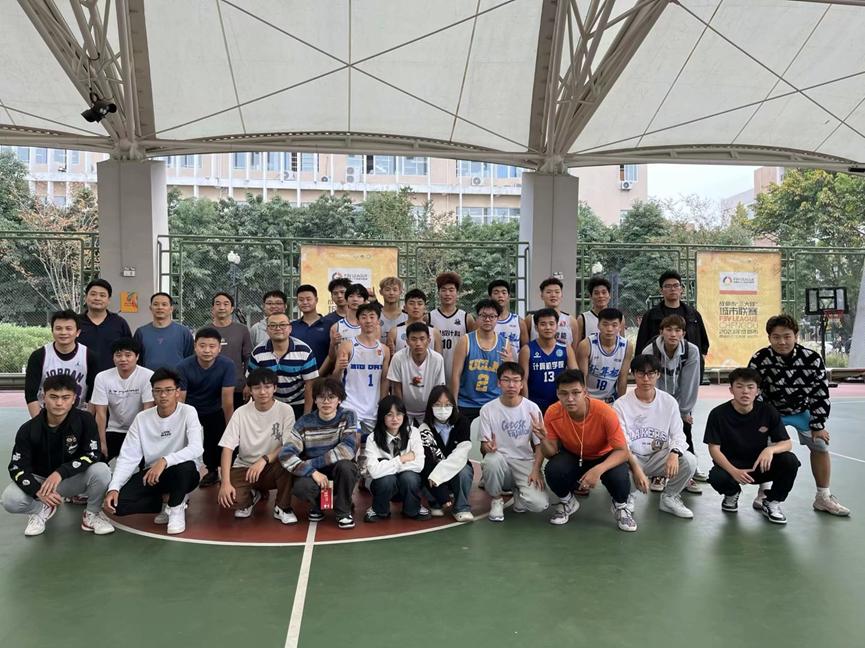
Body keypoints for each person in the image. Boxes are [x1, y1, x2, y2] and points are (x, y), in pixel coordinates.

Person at [749, 314, 849, 516]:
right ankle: (764, 492)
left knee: (820, 445)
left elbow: (820, 393)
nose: (782, 342)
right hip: (771, 413)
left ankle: (823, 497)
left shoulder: (812, 359)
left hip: (801, 411)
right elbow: (754, 391)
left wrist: (818, 424)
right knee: (766, 445)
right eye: (776, 337)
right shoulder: (759, 359)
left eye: (787, 336)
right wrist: (758, 421)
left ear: (796, 336)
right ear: (769, 338)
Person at [3, 374, 114, 536]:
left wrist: (61, 472)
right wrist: (36, 490)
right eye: (53, 397)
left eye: (65, 397)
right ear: (44, 397)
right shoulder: (28, 429)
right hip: (40, 481)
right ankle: (41, 509)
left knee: (102, 470)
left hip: (70, 479)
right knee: (10, 500)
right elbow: (16, 467)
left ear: (74, 398)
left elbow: (92, 454)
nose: (59, 403)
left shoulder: (85, 420)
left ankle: (92, 514)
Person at [104, 368, 203, 535]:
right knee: (117, 506)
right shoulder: (142, 418)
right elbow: (128, 457)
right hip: (153, 475)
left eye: (168, 390)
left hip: (184, 472)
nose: (163, 395)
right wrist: (114, 487)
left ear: (177, 392)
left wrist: (164, 461)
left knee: (185, 467)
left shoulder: (188, 412)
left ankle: (176, 508)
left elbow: (196, 448)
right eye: (158, 391)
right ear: (152, 393)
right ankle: (166, 502)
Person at [535, 369, 635, 531]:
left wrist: (598, 470)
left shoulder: (605, 412)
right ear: (557, 394)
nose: (570, 399)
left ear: (585, 392)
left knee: (619, 477)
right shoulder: (552, 413)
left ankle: (620, 506)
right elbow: (550, 453)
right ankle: (567, 501)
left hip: (604, 455)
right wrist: (543, 438)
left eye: (576, 393)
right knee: (554, 469)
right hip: (573, 454)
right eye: (564, 393)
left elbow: (623, 452)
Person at [704, 368, 800, 524]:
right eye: (739, 386)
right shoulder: (718, 414)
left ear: (757, 391)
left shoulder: (768, 411)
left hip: (760, 466)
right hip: (732, 467)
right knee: (717, 477)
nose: (745, 391)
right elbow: (714, 448)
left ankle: (772, 502)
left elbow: (787, 443)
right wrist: (733, 471)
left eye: (750, 387)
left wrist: (770, 449)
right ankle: (732, 493)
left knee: (790, 461)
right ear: (731, 389)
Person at [614, 354, 697, 521]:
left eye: (651, 373)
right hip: (632, 458)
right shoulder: (621, 405)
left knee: (689, 461)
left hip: (659, 456)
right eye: (641, 373)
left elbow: (678, 434)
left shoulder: (669, 402)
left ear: (658, 374)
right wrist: (636, 468)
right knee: (616, 469)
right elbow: (622, 444)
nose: (646, 379)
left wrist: (674, 453)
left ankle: (669, 498)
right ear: (633, 374)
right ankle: (627, 496)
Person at [217, 368, 297, 524]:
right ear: (250, 390)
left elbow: (288, 444)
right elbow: (227, 448)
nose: (262, 392)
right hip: (245, 467)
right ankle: (252, 495)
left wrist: (264, 460)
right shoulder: (241, 412)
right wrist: (225, 483)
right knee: (230, 500)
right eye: (257, 387)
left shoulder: (285, 410)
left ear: (275, 388)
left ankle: (282, 507)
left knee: (288, 460)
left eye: (267, 387)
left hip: (272, 466)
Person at [279, 377, 360, 529]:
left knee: (347, 467)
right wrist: (312, 471)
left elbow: (347, 450)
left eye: (331, 397)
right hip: (315, 474)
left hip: (338, 470)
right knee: (301, 487)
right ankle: (317, 505)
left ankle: (343, 511)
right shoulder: (304, 422)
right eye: (321, 397)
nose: (326, 401)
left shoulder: (348, 416)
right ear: (315, 400)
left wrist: (312, 464)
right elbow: (285, 455)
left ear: (339, 400)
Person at [479, 362, 549, 522]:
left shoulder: (532, 408)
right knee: (491, 460)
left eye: (516, 380)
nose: (511, 385)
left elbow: (539, 445)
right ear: (499, 383)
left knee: (539, 505)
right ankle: (496, 500)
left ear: (522, 384)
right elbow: (484, 445)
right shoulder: (487, 409)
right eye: (506, 380)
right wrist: (488, 447)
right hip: (501, 460)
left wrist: (536, 470)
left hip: (525, 462)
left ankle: (518, 490)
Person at [642, 314, 703, 493]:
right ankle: (658, 474)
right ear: (661, 332)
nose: (673, 334)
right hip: (658, 398)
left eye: (678, 330)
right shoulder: (650, 351)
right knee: (658, 435)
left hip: (679, 398)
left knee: (684, 431)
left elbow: (690, 382)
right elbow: (650, 381)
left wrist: (685, 411)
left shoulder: (691, 351)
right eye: (669, 329)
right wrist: (657, 407)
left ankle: (687, 473)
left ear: (684, 333)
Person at [176, 328, 236, 487]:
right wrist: (179, 423)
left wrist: (231, 427)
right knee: (187, 441)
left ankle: (221, 471)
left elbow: (227, 400)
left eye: (212, 346)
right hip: (191, 409)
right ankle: (194, 473)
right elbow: (180, 399)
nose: (207, 350)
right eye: (202, 346)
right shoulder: (183, 366)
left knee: (216, 439)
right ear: (195, 347)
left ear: (219, 348)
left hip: (215, 408)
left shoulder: (227, 365)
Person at [363, 395, 430, 522]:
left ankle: (413, 509)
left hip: (407, 484)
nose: (395, 419)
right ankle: (379, 510)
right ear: (382, 417)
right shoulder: (372, 438)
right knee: (387, 480)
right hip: (383, 486)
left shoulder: (413, 432)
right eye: (389, 414)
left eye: (399, 414)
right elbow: (374, 472)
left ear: (404, 415)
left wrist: (386, 466)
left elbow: (419, 465)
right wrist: (402, 459)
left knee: (409, 477)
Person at [635, 270, 709, 379]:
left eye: (676, 285)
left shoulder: (693, 314)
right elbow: (641, 344)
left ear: (681, 289)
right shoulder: (651, 316)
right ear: (661, 290)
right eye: (668, 286)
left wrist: (698, 362)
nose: (672, 289)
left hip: (688, 368)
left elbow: (704, 343)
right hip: (659, 371)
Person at [25, 309, 98, 418]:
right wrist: (38, 422)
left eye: (68, 328)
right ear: (52, 331)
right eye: (58, 328)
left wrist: (86, 421)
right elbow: (30, 394)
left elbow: (93, 393)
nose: (63, 332)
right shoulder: (39, 356)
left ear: (78, 332)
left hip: (78, 415)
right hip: (46, 416)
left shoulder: (89, 356)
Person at [90, 337, 155, 460]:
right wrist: (102, 443)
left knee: (145, 463)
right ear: (113, 358)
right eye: (118, 355)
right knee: (98, 459)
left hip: (138, 430)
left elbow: (147, 410)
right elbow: (100, 413)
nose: (123, 359)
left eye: (128, 355)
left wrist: (143, 440)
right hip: (113, 430)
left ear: (137, 357)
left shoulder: (148, 376)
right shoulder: (102, 377)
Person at [417, 386, 475, 522]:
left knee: (464, 471)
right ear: (430, 407)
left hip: (454, 467)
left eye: (447, 405)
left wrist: (439, 475)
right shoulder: (424, 429)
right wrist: (442, 495)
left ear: (453, 406)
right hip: (433, 472)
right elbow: (427, 462)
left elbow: (461, 454)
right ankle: (435, 502)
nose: (443, 409)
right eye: (437, 405)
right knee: (422, 472)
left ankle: (461, 507)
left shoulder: (462, 422)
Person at [248, 311, 318, 421]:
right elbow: (253, 383)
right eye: (273, 325)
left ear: (290, 328)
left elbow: (310, 385)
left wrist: (306, 416)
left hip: (298, 404)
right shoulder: (258, 353)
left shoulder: (304, 351)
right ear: (267, 330)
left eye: (283, 325)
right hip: (270, 404)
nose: (278, 328)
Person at [335, 302, 390, 440]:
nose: (368, 320)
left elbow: (384, 380)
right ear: (358, 321)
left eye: (372, 317)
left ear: (378, 321)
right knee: (355, 442)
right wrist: (339, 368)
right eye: (364, 317)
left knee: (377, 444)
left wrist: (382, 405)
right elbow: (335, 380)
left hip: (373, 408)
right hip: (350, 405)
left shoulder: (384, 350)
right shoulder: (347, 346)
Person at [451, 299, 511, 422]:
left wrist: (510, 362)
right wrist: (454, 403)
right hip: (467, 403)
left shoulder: (505, 343)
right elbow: (455, 374)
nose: (487, 319)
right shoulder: (465, 340)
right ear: (477, 317)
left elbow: (509, 376)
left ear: (497, 318)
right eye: (483, 316)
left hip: (494, 403)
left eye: (492, 316)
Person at [519, 307, 577, 413]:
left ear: (557, 326)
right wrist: (526, 406)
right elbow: (523, 380)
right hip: (535, 403)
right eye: (543, 324)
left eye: (551, 324)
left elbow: (576, 376)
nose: (548, 327)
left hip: (560, 402)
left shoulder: (565, 348)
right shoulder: (527, 350)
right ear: (536, 327)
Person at [387, 322, 446, 424]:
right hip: (404, 410)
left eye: (422, 339)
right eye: (413, 339)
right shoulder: (398, 358)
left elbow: (438, 390)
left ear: (429, 340)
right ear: (407, 341)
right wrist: (401, 412)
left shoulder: (437, 359)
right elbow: (396, 388)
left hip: (428, 411)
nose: (418, 343)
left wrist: (431, 414)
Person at [577, 307, 632, 404]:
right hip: (589, 399)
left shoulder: (627, 346)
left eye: (614, 325)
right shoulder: (586, 345)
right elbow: (582, 377)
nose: (609, 329)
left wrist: (621, 403)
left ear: (620, 326)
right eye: (605, 324)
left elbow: (623, 378)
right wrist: (585, 401)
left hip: (610, 399)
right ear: (598, 325)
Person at [78, 278, 133, 373]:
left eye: (102, 295)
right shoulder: (75, 322)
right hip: (80, 376)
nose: (97, 298)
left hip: (113, 377)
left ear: (109, 300)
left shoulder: (119, 323)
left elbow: (130, 351)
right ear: (86, 297)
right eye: (93, 294)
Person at [429, 272, 474, 385]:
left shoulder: (466, 318)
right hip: (435, 373)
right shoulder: (429, 317)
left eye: (451, 290)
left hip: (460, 374)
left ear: (457, 293)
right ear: (438, 292)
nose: (447, 294)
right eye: (443, 290)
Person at [210, 291, 252, 409]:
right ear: (212, 308)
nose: (222, 307)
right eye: (218, 304)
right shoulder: (205, 331)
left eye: (226, 304)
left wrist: (248, 383)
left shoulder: (242, 330)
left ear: (232, 308)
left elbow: (248, 358)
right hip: (211, 387)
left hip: (237, 387)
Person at [133, 292, 194, 371]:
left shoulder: (184, 332)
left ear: (171, 309)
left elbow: (190, 359)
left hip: (177, 377)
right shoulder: (141, 332)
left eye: (164, 304)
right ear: (150, 308)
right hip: (148, 377)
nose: (160, 307)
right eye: (156, 304)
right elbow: (136, 359)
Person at [321, 283, 368, 374]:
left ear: (365, 300)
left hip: (365, 374)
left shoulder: (372, 326)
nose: (355, 299)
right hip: (343, 376)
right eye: (351, 296)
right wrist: (333, 344)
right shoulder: (336, 327)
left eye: (359, 296)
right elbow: (332, 358)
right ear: (346, 299)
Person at [524, 277, 579, 350]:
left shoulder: (571, 321)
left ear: (562, 295)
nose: (553, 295)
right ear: (541, 296)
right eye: (548, 292)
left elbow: (574, 350)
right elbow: (524, 347)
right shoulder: (530, 320)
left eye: (557, 292)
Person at [388, 288, 443, 355]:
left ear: (425, 308)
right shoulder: (394, 332)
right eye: (411, 303)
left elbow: (439, 358)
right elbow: (390, 358)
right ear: (405, 308)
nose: (416, 307)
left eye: (420, 304)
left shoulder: (434, 332)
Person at [290, 284, 332, 369]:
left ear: (316, 300)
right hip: (297, 374)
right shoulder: (292, 326)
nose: (305, 302)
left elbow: (332, 354)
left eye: (308, 299)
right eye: (301, 300)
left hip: (323, 374)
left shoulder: (330, 325)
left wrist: (320, 374)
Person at [489, 279, 527, 350]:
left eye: (504, 293)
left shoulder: (519, 322)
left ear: (509, 297)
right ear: (490, 297)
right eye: (496, 293)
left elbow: (526, 349)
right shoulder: (483, 322)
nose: (500, 295)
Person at [575, 275, 612, 342]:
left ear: (609, 295)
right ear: (590, 296)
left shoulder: (619, 318)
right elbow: (577, 345)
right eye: (596, 293)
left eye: (604, 292)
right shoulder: (583, 319)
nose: (601, 296)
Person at [378, 276, 408, 344]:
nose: (391, 293)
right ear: (381, 292)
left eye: (395, 290)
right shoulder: (375, 316)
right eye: (387, 290)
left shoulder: (407, 317)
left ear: (400, 292)